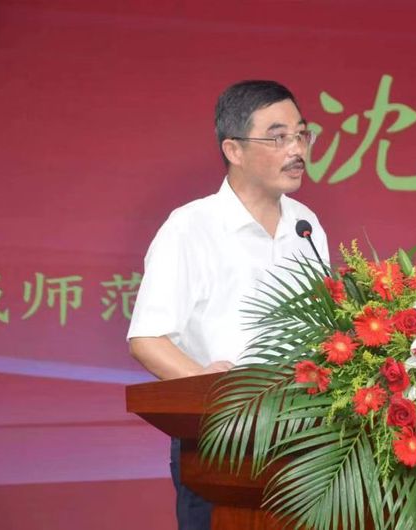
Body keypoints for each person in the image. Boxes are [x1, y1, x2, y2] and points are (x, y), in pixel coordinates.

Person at [127, 80, 329, 529]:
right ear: (234, 149)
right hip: (220, 445)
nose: (296, 149)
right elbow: (146, 339)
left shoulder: (307, 226)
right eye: (278, 137)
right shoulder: (190, 227)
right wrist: (210, 388)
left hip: (303, 444)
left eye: (302, 134)